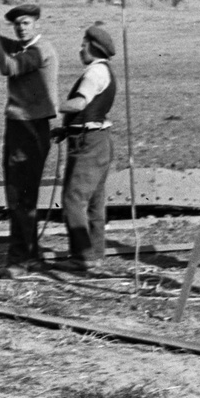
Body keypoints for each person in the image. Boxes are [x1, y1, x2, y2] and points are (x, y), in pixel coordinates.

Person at [0, 0, 59, 276]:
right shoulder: (22, 47)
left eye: (25, 23)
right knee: (19, 196)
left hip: (31, 128)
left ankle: (21, 260)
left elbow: (6, 67)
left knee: (20, 196)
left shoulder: (38, 51)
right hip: (20, 125)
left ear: (36, 24)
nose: (21, 27)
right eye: (17, 24)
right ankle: (28, 256)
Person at [55, 23, 117, 273]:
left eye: (83, 45)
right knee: (94, 202)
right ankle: (96, 254)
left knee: (73, 200)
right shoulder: (105, 71)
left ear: (93, 47)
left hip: (88, 145)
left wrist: (53, 106)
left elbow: (80, 104)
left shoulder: (93, 73)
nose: (80, 50)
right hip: (99, 140)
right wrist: (65, 130)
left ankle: (82, 257)